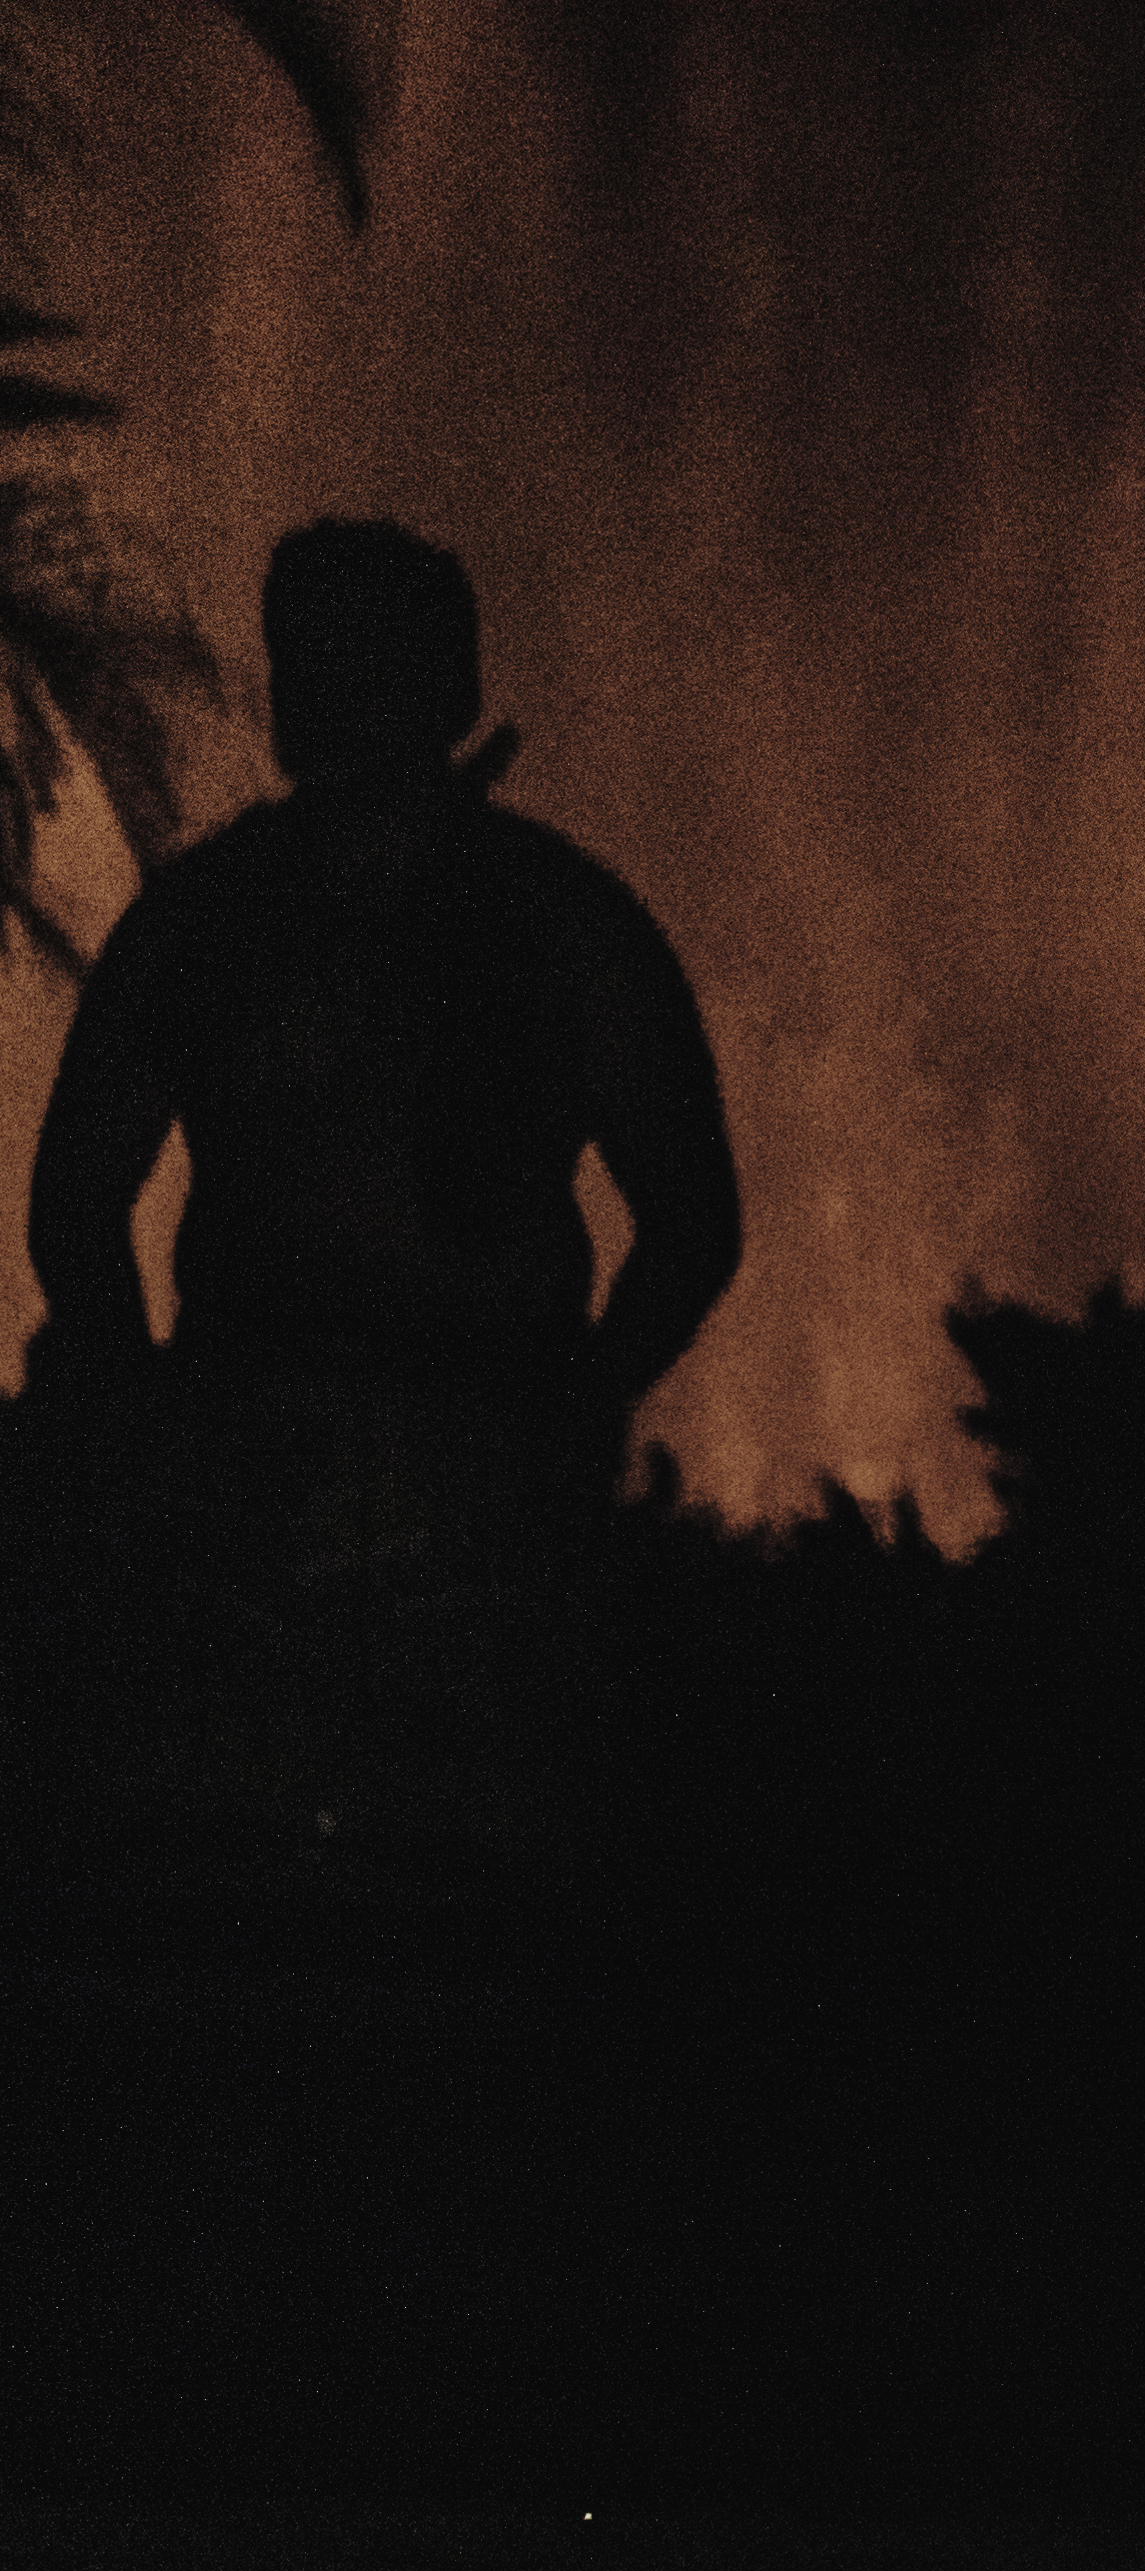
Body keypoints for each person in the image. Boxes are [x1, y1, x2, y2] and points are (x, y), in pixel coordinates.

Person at [18, 519, 736, 1842]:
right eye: (312, 657)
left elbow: (693, 1222)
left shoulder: (562, 927)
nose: (334, 689)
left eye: (372, 659)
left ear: (451, 689)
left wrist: (569, 1405)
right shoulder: (209, 923)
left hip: (485, 1470)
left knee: (480, 1867)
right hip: (254, 1456)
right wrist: (153, 1415)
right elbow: (75, 1207)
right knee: (238, 1867)